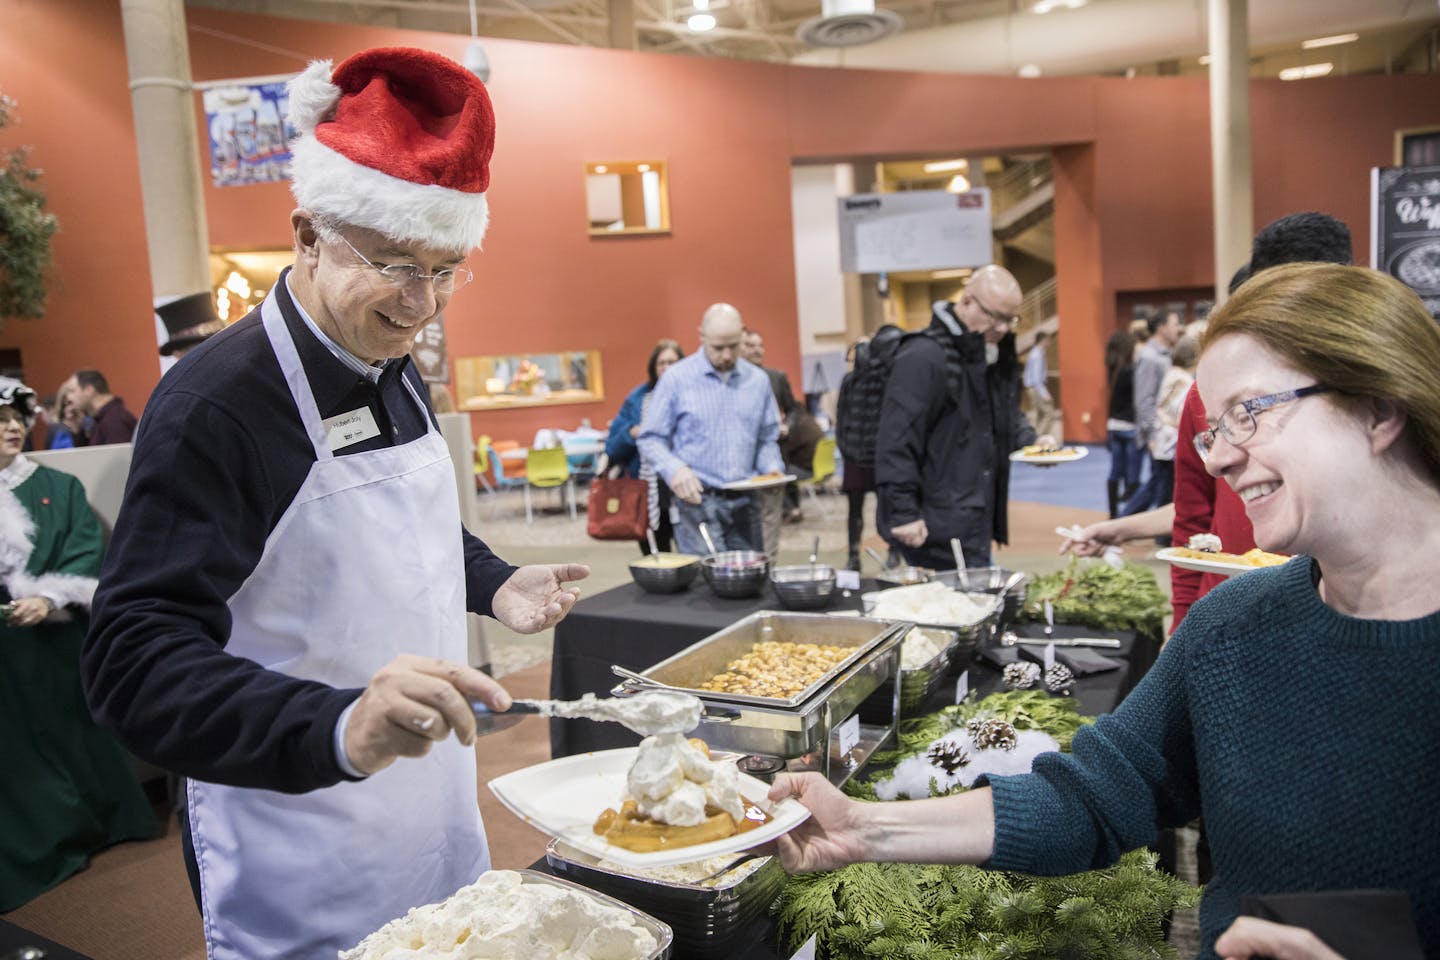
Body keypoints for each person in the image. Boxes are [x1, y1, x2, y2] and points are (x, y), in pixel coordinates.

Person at [771, 263, 1440, 959]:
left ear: (1378, 406)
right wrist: (861, 829)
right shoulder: (1232, 627)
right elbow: (1095, 795)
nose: (1219, 460)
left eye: (1248, 411)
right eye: (1215, 429)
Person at [81, 48, 589, 959]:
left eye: (445, 270)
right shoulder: (218, 404)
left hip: (427, 799)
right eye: (394, 263)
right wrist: (337, 723)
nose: (421, 306)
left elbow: (403, 525)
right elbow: (132, 661)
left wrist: (495, 581)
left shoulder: (388, 364)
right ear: (308, 235)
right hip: (296, 820)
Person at [0, 384, 157, 911]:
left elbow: (86, 547)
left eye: (17, 418)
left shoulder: (56, 485)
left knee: (76, 730)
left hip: (58, 635)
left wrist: (48, 598)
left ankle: (102, 824)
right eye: (0, 420)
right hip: (5, 649)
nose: (12, 428)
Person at [875, 265, 1050, 570]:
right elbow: (896, 438)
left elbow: (1000, 415)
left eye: (1012, 319)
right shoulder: (923, 356)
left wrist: (1033, 442)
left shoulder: (985, 352)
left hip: (973, 514)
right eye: (996, 316)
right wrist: (903, 513)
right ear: (967, 301)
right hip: (934, 522)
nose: (1005, 328)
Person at [637, 302, 784, 555]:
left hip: (745, 502)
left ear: (743, 335)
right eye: (718, 348)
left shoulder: (757, 381)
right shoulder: (676, 379)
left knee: (749, 581)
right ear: (702, 336)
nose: (726, 355)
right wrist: (676, 470)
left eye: (733, 346)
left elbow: (766, 438)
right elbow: (650, 438)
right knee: (703, 587)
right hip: (697, 503)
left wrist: (771, 468)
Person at [604, 338, 683, 554]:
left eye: (673, 362)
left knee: (692, 550)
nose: (667, 368)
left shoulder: (693, 395)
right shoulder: (638, 398)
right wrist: (632, 433)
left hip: (684, 485)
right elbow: (612, 447)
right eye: (662, 363)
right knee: (654, 553)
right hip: (647, 488)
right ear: (653, 367)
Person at [835, 325, 903, 571]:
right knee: (889, 507)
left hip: (854, 453)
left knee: (855, 511)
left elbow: (840, 417)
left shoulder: (850, 380)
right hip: (880, 454)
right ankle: (893, 551)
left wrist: (844, 447)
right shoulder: (889, 376)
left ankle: (853, 555)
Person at [1120, 308, 1182, 515]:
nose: (1178, 329)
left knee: (1159, 484)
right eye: (1174, 324)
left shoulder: (1166, 354)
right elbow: (1144, 399)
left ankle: (1122, 525)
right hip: (1159, 433)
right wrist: (1152, 434)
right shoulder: (1149, 356)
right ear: (1162, 327)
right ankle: (1122, 524)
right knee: (1159, 484)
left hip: (1167, 432)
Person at [1103, 329, 1140, 517]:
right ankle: (1129, 514)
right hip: (1130, 427)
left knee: (1115, 472)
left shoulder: (1112, 369)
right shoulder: (1131, 370)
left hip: (1114, 426)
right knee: (1132, 475)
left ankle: (1113, 513)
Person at [63, 369, 137, 445]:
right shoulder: (102, 419)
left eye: (72, 391)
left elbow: (119, 456)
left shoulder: (114, 421)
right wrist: (77, 429)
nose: (68, 398)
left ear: (89, 390)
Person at [1021, 329, 1059, 439]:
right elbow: (1037, 378)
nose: (1049, 342)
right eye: (1048, 340)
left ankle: (1035, 440)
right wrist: (1044, 393)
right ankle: (1038, 440)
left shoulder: (1036, 352)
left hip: (1033, 388)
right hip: (1036, 388)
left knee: (1040, 415)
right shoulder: (1037, 354)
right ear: (1043, 340)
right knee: (1049, 414)